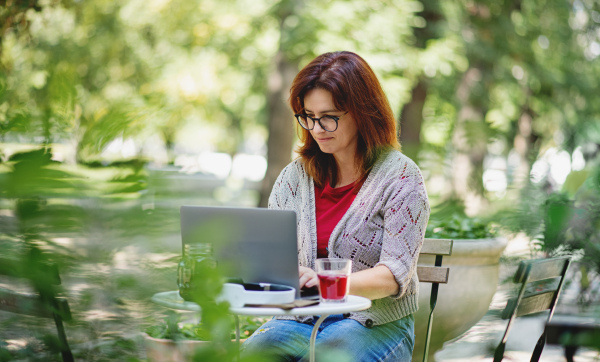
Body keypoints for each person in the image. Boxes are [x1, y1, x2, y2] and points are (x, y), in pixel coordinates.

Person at [242, 51, 430, 361]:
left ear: (362, 112)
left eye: (329, 116)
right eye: (308, 116)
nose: (317, 128)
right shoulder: (293, 178)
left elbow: (393, 276)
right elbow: (275, 261)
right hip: (299, 320)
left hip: (375, 324)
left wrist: (328, 284)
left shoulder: (401, 177)